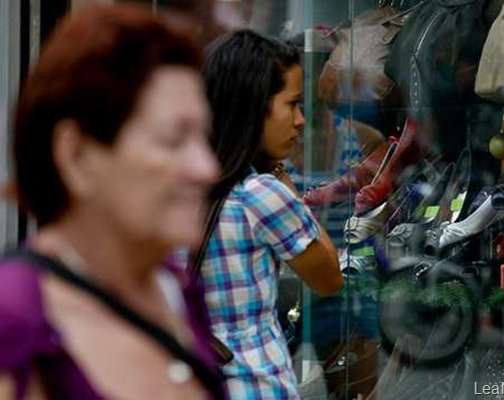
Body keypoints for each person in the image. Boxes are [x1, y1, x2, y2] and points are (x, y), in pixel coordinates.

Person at [0, 4, 224, 399]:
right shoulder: (17, 321)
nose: (206, 168)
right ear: (77, 156)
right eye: (174, 140)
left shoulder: (177, 289)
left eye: (203, 137)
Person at [194, 29, 343, 398]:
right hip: (253, 383)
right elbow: (328, 277)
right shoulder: (260, 195)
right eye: (292, 104)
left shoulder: (171, 189)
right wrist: (281, 175)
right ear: (253, 106)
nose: (300, 120)